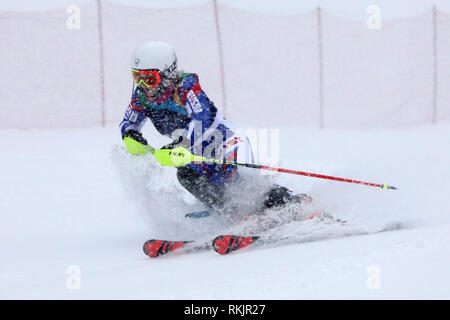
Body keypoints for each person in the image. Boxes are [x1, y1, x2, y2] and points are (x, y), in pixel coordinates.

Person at [120, 41, 309, 215]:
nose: (144, 86)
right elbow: (129, 122)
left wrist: (181, 143)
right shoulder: (141, 98)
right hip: (196, 152)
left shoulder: (186, 87)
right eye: (137, 77)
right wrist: (130, 134)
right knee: (186, 174)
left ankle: (291, 202)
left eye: (150, 79)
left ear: (168, 74)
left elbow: (202, 118)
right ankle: (229, 214)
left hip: (224, 141)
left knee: (241, 182)